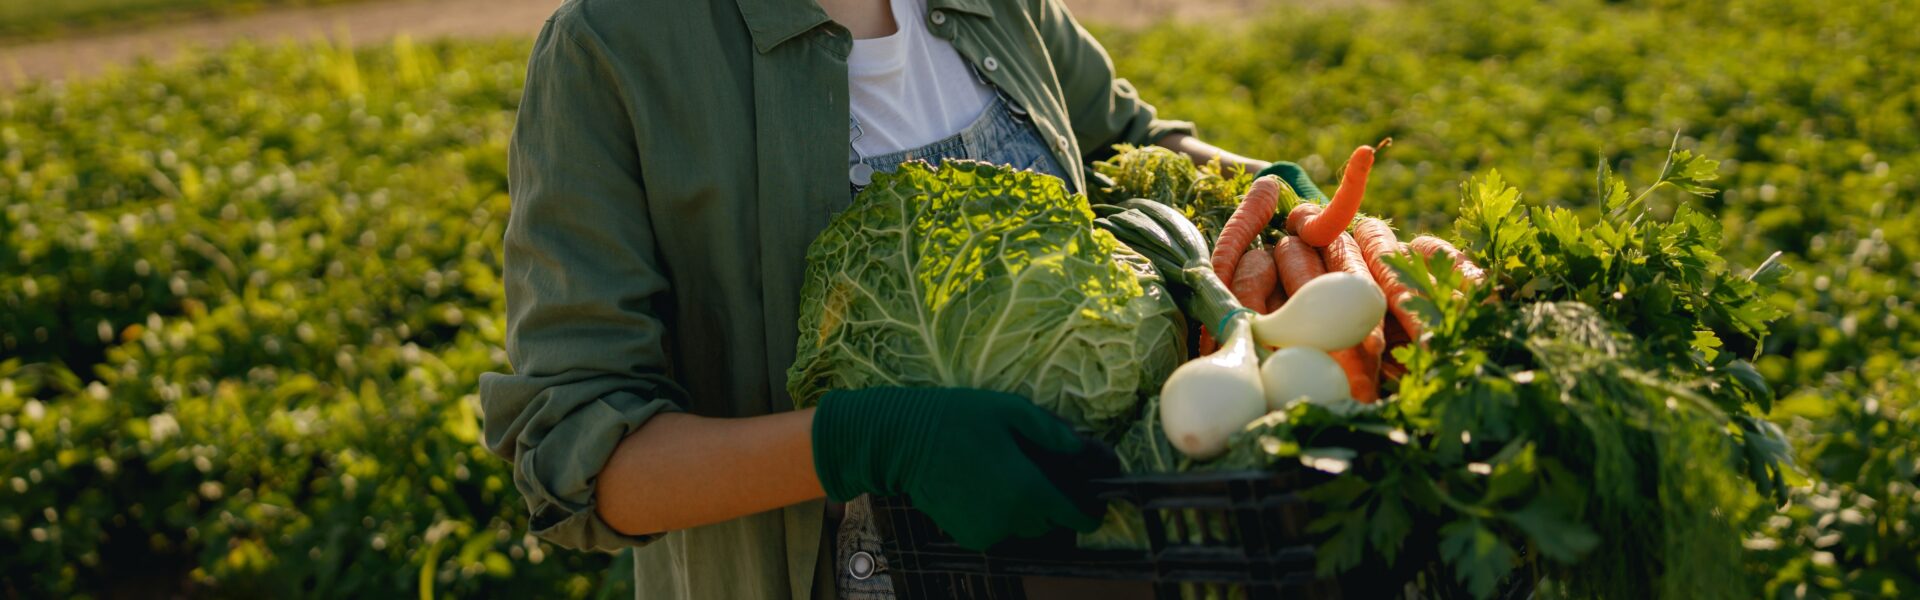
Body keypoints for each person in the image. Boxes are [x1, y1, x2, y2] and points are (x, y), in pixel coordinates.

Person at [479, 0, 1324, 597]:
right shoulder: (610, 48)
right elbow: (580, 454)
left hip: (1099, 566)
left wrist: (1285, 203)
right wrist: (866, 440)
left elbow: (1127, 142)